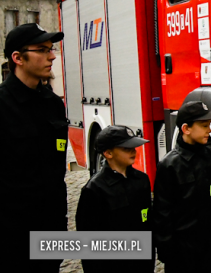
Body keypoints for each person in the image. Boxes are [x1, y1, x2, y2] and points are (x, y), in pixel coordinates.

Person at [1, 23, 67, 273]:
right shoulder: (3, 106)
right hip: (12, 239)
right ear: (18, 58)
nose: (52, 56)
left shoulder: (52, 103)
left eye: (52, 49)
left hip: (50, 231)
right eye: (42, 49)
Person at [153, 101, 211, 273]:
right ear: (186, 129)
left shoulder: (210, 157)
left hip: (207, 247)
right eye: (204, 125)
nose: (209, 130)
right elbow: (162, 213)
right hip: (181, 251)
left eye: (209, 125)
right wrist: (166, 249)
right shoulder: (169, 165)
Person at [76, 125, 154, 272]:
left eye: (134, 146)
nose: (133, 151)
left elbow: (147, 223)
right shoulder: (94, 189)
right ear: (108, 153)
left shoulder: (141, 180)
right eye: (126, 148)